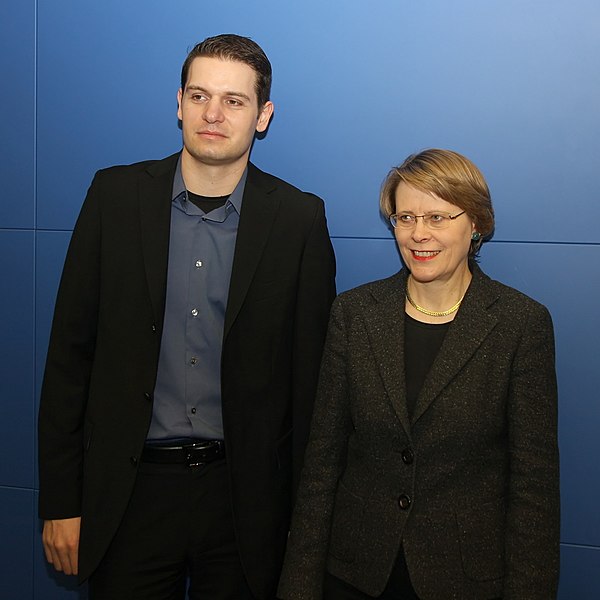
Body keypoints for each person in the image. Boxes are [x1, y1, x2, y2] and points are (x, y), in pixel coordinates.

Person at [38, 33, 336, 600]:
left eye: (234, 100)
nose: (214, 114)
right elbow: (67, 361)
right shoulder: (114, 197)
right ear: (178, 103)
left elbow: (311, 388)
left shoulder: (299, 220)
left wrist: (306, 525)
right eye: (199, 96)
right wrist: (61, 501)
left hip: (245, 503)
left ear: (263, 115)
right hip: (129, 495)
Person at [278, 149, 559, 599]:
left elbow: (534, 491)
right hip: (354, 574)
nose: (418, 234)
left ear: (477, 224)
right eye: (404, 217)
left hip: (466, 581)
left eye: (438, 217)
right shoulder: (354, 315)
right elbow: (322, 464)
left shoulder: (520, 324)